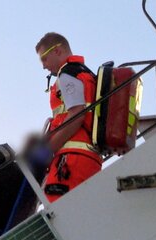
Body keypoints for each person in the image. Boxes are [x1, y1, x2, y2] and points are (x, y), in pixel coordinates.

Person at [34, 32, 101, 202]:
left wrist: (47, 151)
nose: (43, 66)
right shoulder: (84, 73)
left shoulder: (67, 75)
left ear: (57, 50)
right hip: (88, 157)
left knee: (58, 215)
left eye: (44, 59)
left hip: (71, 159)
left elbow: (77, 114)